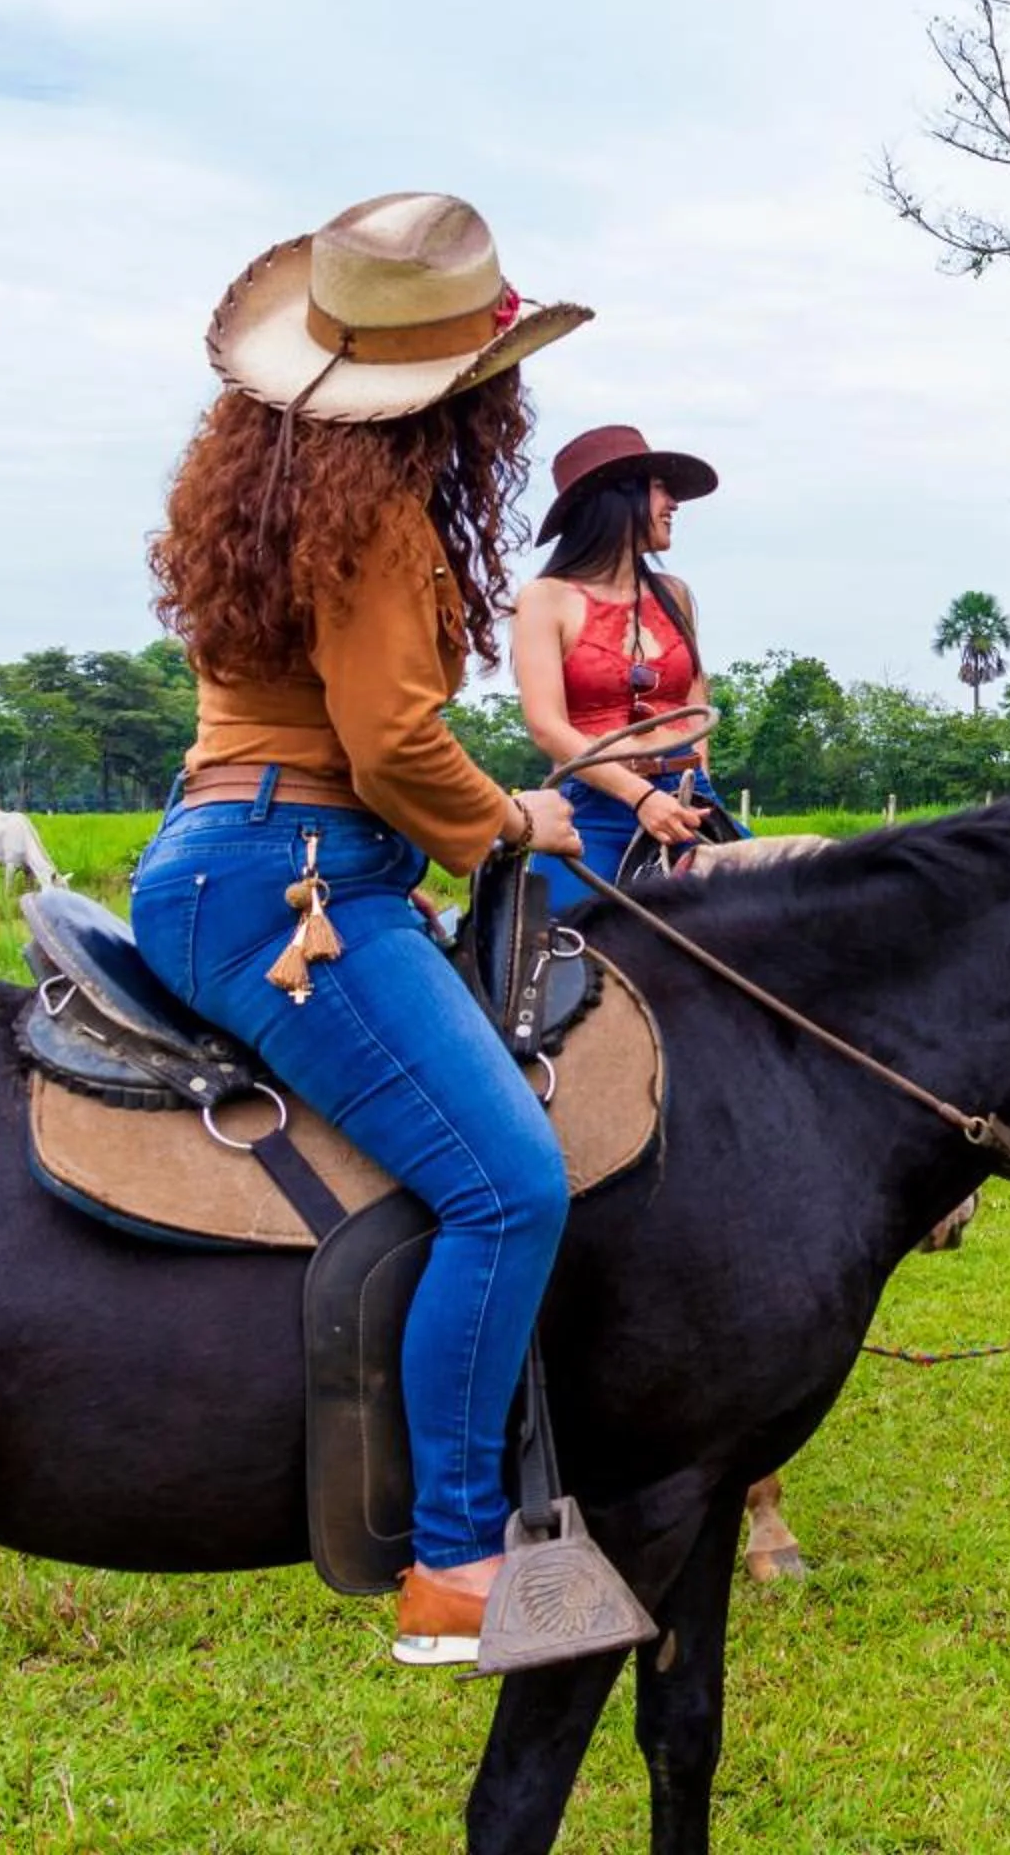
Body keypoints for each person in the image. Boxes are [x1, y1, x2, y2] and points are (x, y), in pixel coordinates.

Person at [132, 191, 591, 1665]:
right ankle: (457, 1559)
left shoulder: (267, 499)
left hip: (229, 847)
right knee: (511, 1186)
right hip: (301, 879)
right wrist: (516, 820)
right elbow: (391, 746)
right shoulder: (384, 514)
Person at [510, 424, 726, 909]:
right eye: (660, 489)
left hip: (688, 799)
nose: (673, 504)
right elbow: (547, 726)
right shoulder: (545, 600)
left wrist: (695, 782)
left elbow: (695, 697)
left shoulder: (675, 595)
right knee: (556, 946)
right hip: (596, 809)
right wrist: (640, 796)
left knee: (776, 928)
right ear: (617, 497)